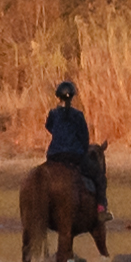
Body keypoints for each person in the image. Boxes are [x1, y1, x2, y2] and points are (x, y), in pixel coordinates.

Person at [43, 79, 103, 211]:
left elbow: (49, 127)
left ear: (58, 97)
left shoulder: (53, 114)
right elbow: (84, 137)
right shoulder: (78, 115)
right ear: (73, 97)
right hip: (74, 155)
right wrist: (81, 147)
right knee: (98, 176)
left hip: (54, 155)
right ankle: (101, 208)